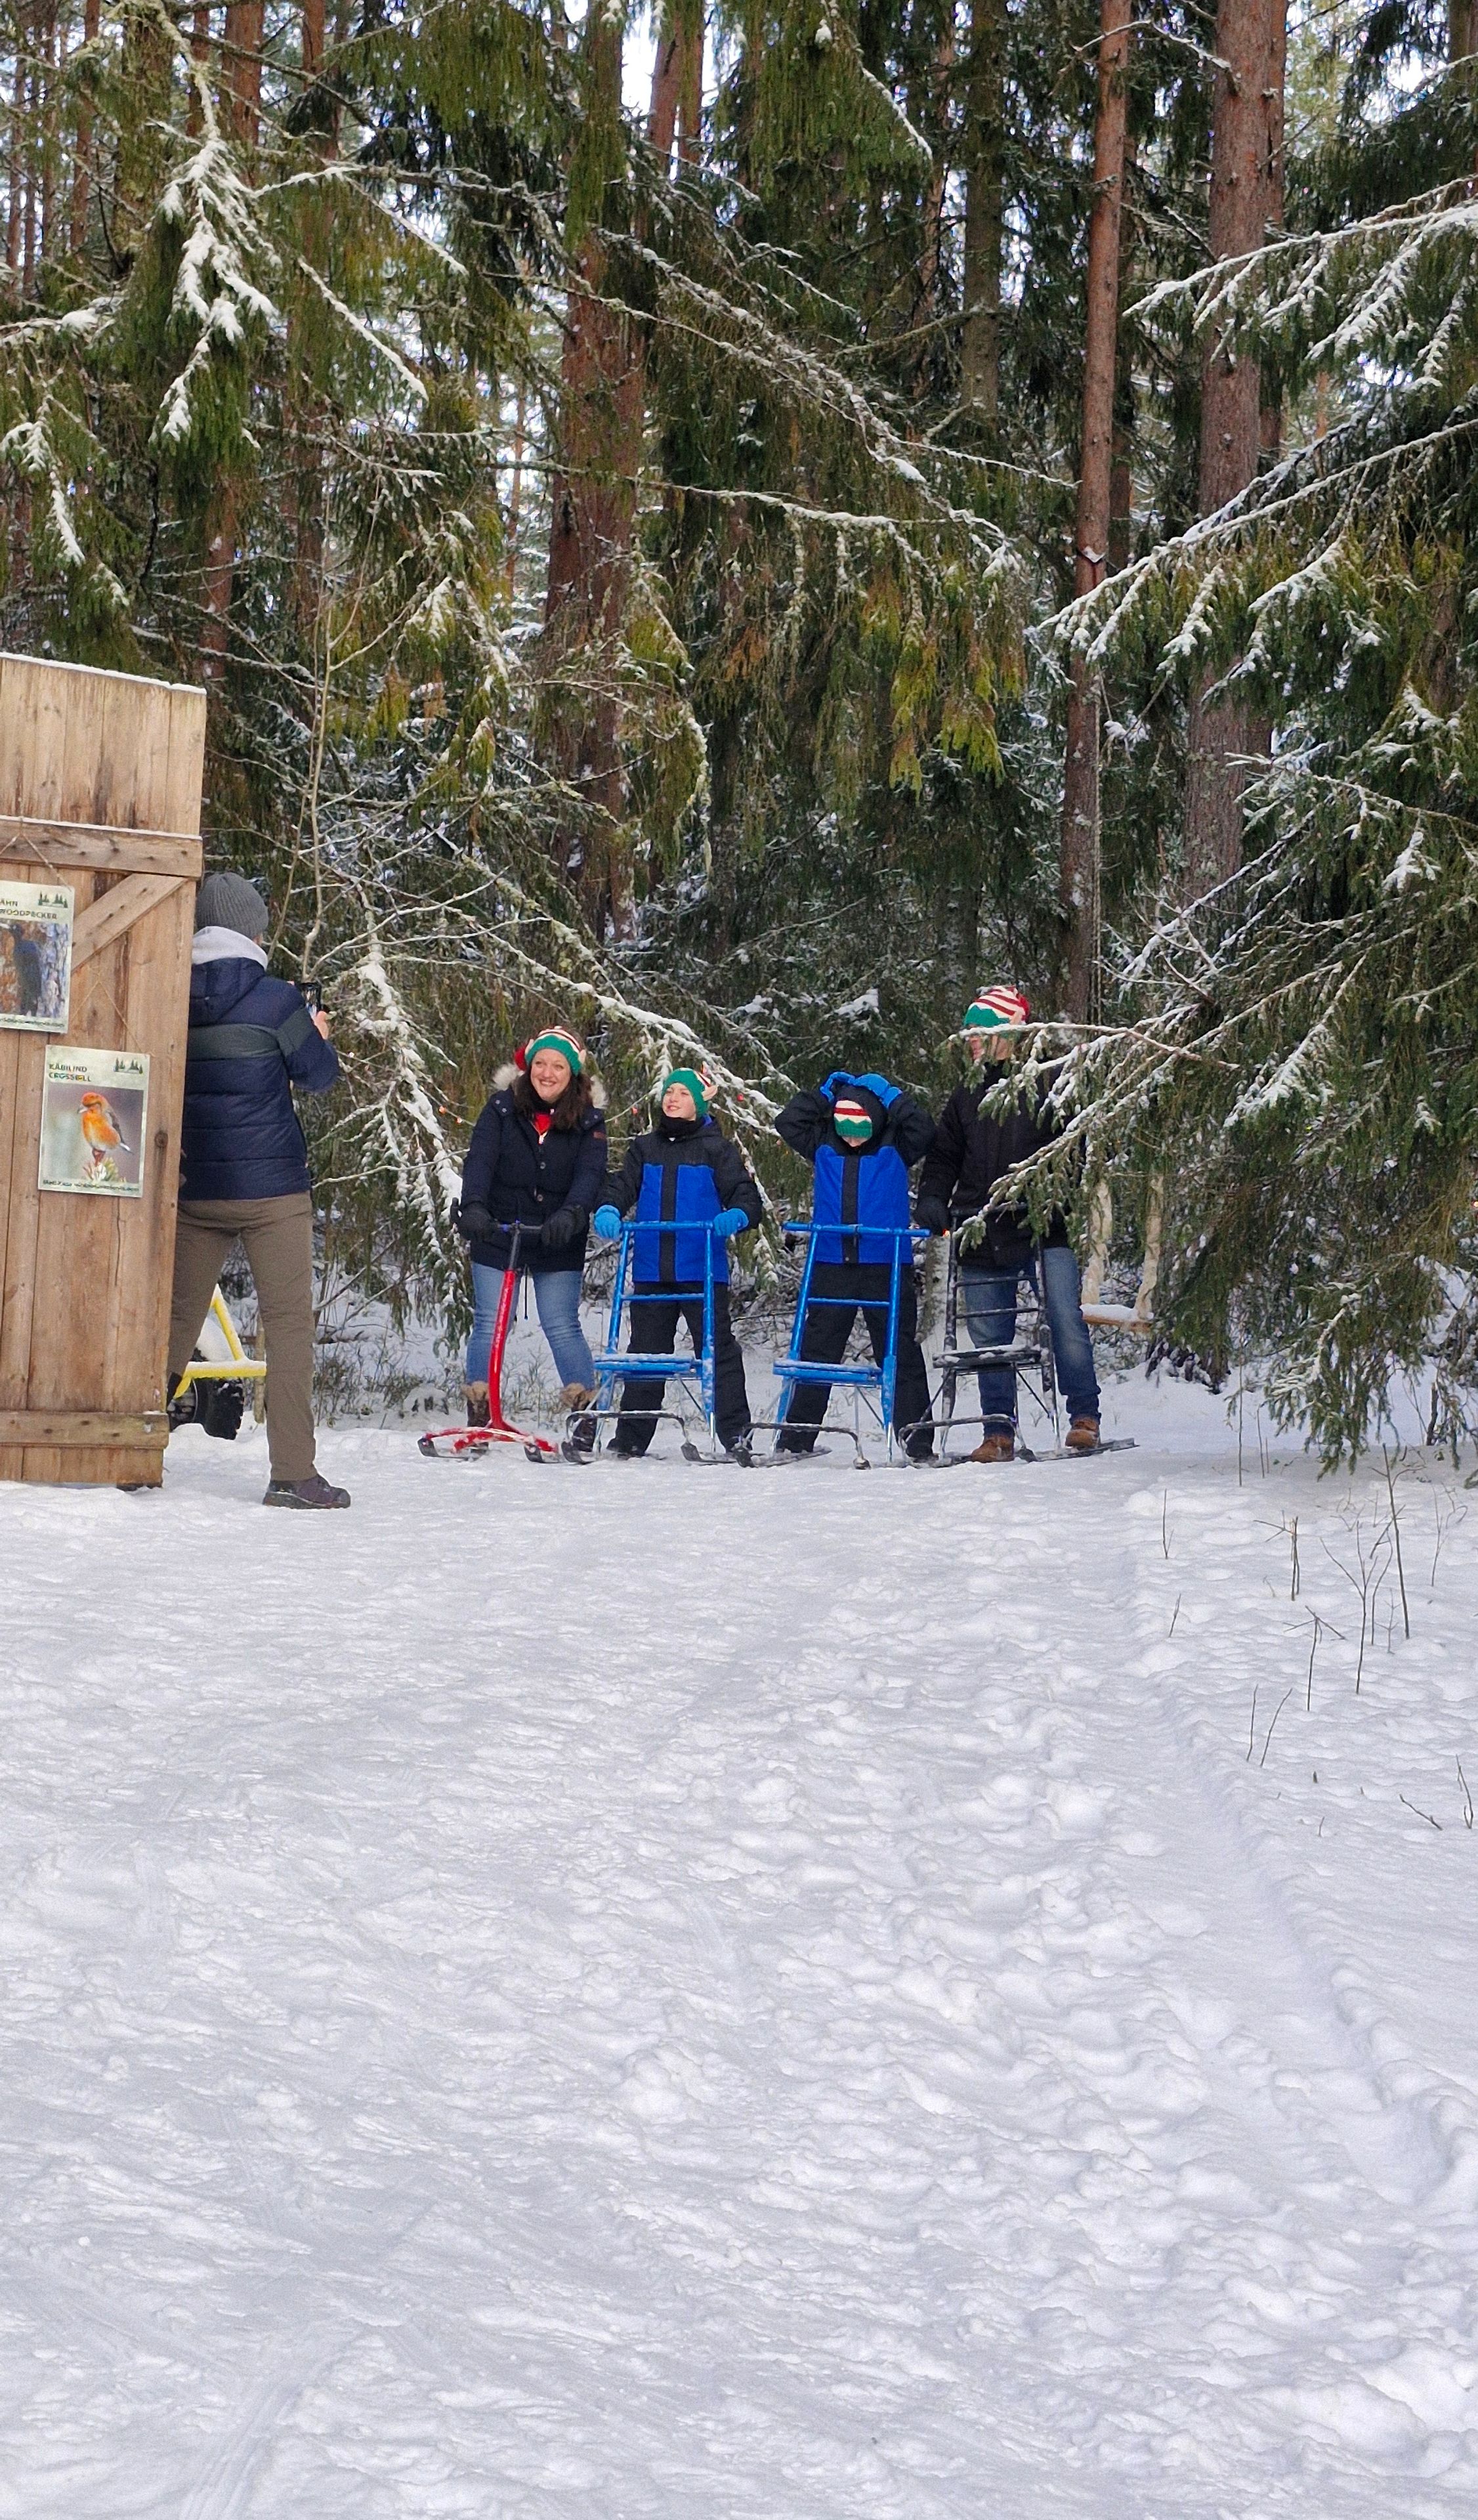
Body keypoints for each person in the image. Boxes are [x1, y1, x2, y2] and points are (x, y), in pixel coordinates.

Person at [167, 870, 348, 1508]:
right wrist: (316, 1031)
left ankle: (127, 1444)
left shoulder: (170, 992)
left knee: (174, 1320)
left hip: (196, 1184)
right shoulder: (276, 1001)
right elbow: (320, 1077)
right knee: (288, 1325)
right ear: (253, 931)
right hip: (271, 1188)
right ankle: (292, 1473)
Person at [915, 985, 1102, 1461]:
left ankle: (1085, 1416)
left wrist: (1049, 1194)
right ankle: (998, 1430)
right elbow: (943, 1156)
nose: (974, 1041)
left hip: (1042, 1226)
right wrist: (934, 1197)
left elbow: (1071, 1150)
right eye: (970, 1033)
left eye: (984, 1032)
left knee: (1064, 1318)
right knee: (987, 1335)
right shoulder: (964, 1096)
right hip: (979, 1225)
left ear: (1011, 1033)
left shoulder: (1046, 1082)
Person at [592, 1066, 761, 1458]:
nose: (673, 1099)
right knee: (646, 1355)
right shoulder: (644, 1148)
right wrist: (609, 1208)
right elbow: (622, 1185)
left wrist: (736, 1215)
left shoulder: (716, 1149)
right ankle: (630, 1438)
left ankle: (737, 1435)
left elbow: (745, 1195)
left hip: (701, 1270)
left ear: (699, 1103)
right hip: (653, 1269)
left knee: (717, 1352)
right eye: (670, 1092)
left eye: (683, 1094)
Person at [772, 1069, 935, 1459]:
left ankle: (916, 1440)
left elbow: (925, 1130)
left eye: (859, 1122)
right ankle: (796, 1438)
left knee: (898, 1351)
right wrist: (826, 1093)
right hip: (832, 1262)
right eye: (842, 1121)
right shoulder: (823, 1144)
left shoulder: (896, 1144)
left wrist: (891, 1094)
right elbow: (787, 1121)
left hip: (885, 1262)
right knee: (817, 1350)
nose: (849, 1131)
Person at [455, 1027, 607, 1443]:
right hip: (499, 1227)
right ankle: (481, 1406)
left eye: (558, 1066)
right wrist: (474, 1206)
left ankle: (583, 1411)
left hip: (556, 1231)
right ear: (528, 1067)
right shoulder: (502, 1109)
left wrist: (574, 1212)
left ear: (571, 1073)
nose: (547, 1072)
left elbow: (590, 1174)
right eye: (540, 1063)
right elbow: (481, 1160)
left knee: (560, 1322)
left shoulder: (589, 1120)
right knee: (490, 1321)